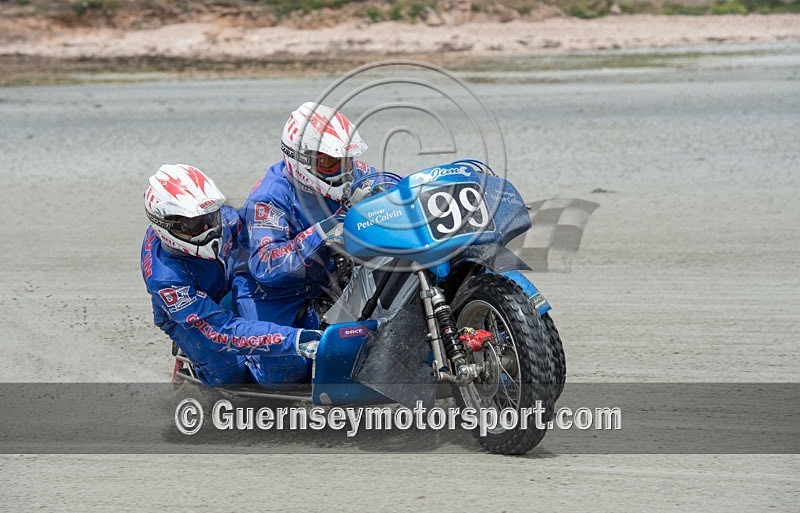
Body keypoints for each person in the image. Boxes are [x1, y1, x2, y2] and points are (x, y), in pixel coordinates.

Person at [232, 102, 381, 382]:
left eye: (345, 160)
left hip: (331, 273)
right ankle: (239, 360)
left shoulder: (353, 171)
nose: (343, 170)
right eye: (329, 162)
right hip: (272, 291)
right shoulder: (268, 199)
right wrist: (323, 232)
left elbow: (391, 186)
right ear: (302, 159)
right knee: (280, 376)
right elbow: (267, 266)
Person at [140, 163, 321, 387]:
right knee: (231, 375)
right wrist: (294, 340)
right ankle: (199, 371)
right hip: (191, 317)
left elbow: (261, 240)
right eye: (194, 223)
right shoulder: (166, 279)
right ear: (167, 226)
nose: (209, 227)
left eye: (210, 216)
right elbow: (218, 331)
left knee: (287, 363)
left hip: (227, 282)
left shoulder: (223, 218)